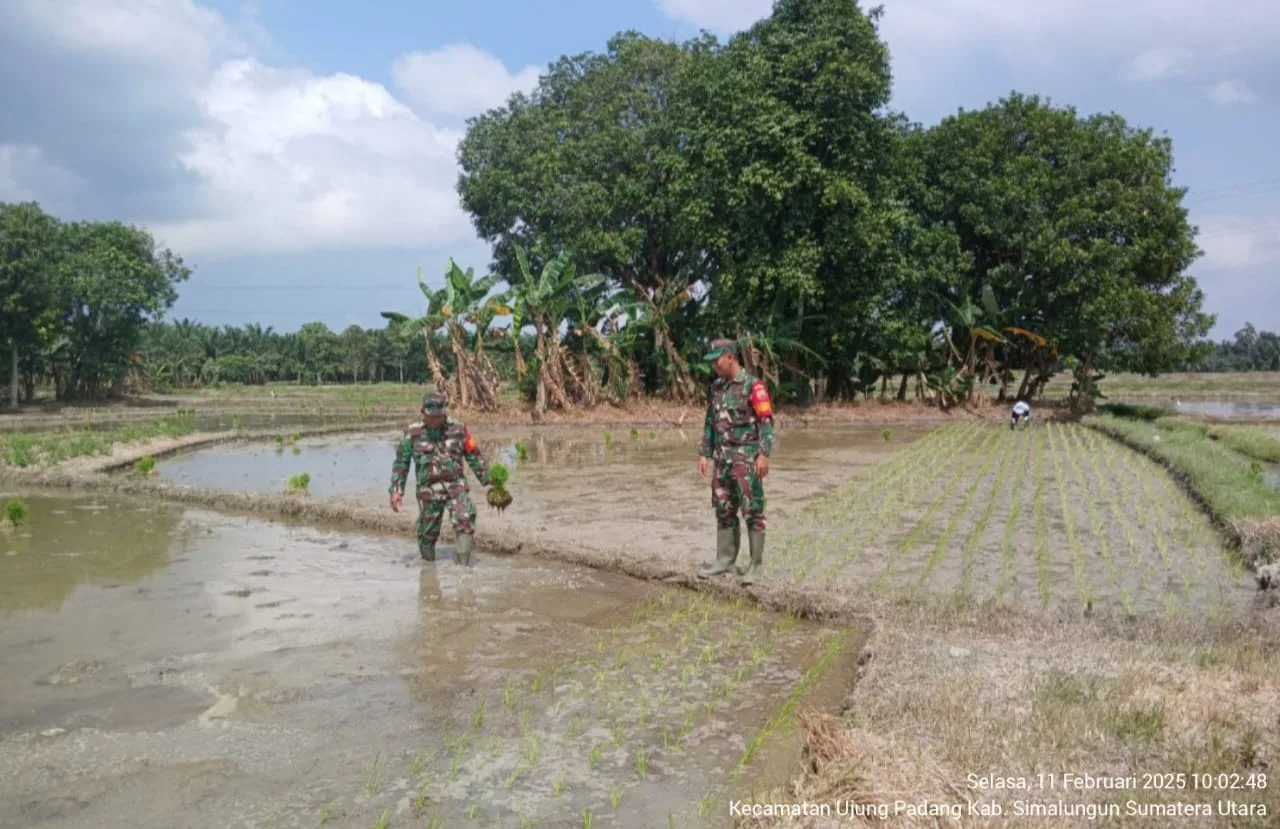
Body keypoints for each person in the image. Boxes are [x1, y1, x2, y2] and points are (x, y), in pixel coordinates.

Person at [697, 338, 774, 584]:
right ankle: (724, 560)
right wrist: (705, 453)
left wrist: (763, 454)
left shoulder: (754, 386)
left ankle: (756, 565)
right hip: (722, 460)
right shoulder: (716, 387)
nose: (714, 366)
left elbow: (766, 421)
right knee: (724, 509)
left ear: (730, 357)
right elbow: (711, 421)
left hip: (746, 460)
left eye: (716, 360)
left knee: (752, 510)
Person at [389, 391, 492, 566]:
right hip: (428, 491)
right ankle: (428, 570)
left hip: (455, 487)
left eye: (439, 416)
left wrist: (490, 480)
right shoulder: (412, 434)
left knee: (465, 516)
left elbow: (474, 455)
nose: (436, 420)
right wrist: (397, 491)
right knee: (427, 533)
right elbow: (401, 464)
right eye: (432, 417)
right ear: (423, 412)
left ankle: (463, 567)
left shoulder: (458, 429)